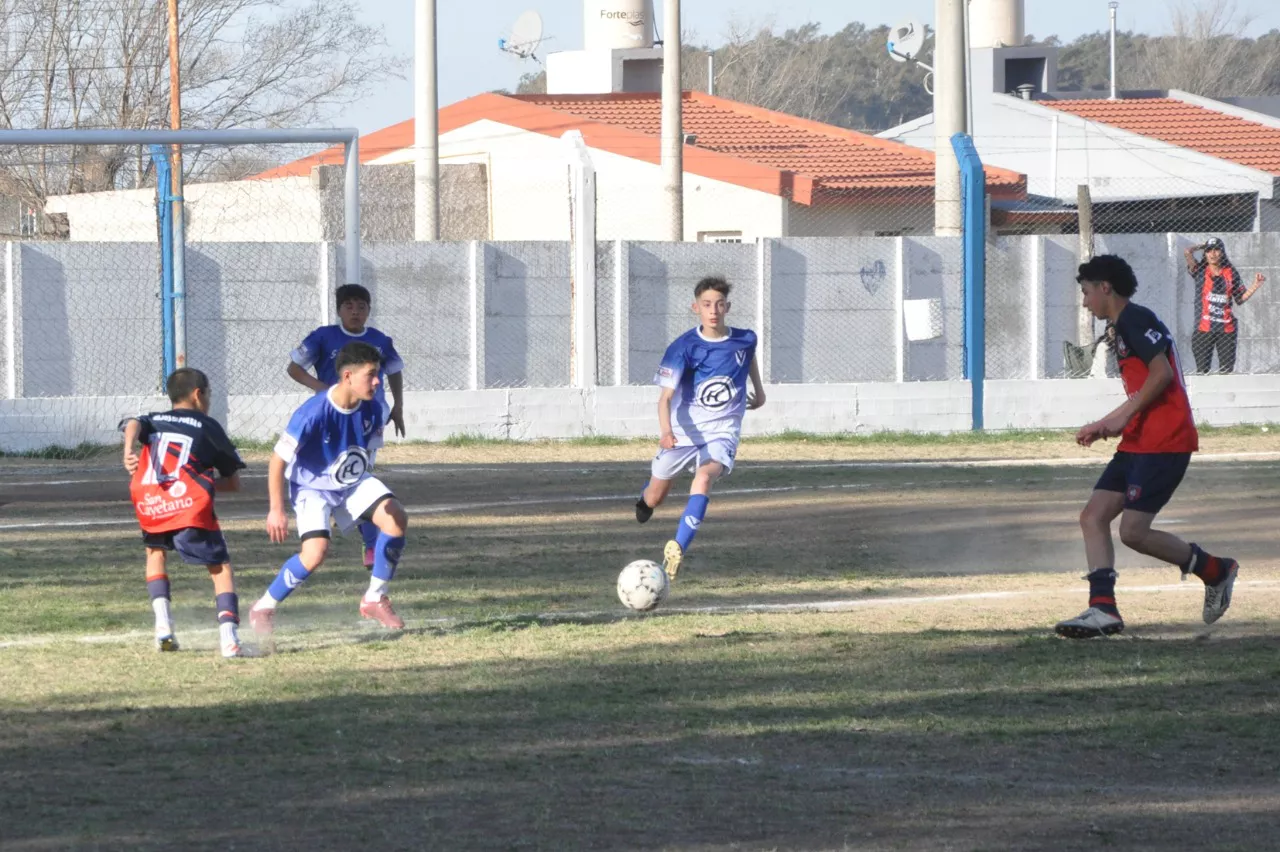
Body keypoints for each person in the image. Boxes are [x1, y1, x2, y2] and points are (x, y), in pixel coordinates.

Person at [1056, 255, 1238, 639]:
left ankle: (1215, 570)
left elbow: (1162, 374)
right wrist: (1108, 423)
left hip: (1164, 441)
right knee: (1093, 516)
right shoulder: (1123, 326)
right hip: (1139, 440)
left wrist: (1120, 419)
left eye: (1087, 292)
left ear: (1105, 287)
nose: (1085, 302)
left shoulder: (1135, 319)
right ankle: (1102, 609)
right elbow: (1144, 389)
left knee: (1134, 532)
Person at [251, 341, 410, 638]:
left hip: (351, 482)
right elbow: (276, 462)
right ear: (347, 376)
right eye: (371, 374)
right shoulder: (312, 413)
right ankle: (263, 607)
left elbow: (365, 455)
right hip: (312, 489)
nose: (378, 381)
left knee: (395, 517)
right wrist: (276, 509)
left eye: (378, 375)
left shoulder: (375, 408)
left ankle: (375, 597)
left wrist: (367, 505)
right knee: (315, 554)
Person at [634, 276, 766, 580]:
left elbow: (749, 358)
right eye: (707, 304)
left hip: (722, 431)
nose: (714, 310)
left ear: (727, 306)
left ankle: (678, 547)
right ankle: (645, 500)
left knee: (705, 476)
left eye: (719, 304)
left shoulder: (746, 338)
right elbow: (664, 398)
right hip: (683, 431)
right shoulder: (683, 347)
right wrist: (666, 432)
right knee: (654, 497)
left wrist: (759, 391)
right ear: (696, 308)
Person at [121, 367, 247, 658]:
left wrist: (128, 450)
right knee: (220, 568)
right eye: (209, 394)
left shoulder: (151, 420)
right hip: (188, 504)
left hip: (151, 501)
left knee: (155, 554)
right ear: (198, 394)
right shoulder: (209, 426)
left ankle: (163, 627)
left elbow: (131, 423)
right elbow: (233, 483)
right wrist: (201, 483)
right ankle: (229, 640)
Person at [288, 283, 405, 570]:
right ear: (339, 309)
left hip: (368, 419)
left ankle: (370, 542)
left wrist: (399, 406)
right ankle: (326, 515)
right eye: (349, 306)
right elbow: (294, 368)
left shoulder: (380, 340)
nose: (355, 311)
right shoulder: (323, 336)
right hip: (331, 419)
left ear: (369, 310)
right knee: (336, 471)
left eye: (361, 306)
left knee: (357, 472)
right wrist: (321, 390)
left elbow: (395, 370)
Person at [1183, 237, 1265, 374]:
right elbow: (1187, 252)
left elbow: (1240, 298)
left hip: (1226, 330)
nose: (1213, 254)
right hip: (1203, 329)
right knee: (1202, 372)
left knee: (1226, 372)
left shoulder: (1231, 273)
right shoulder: (1200, 271)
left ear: (1222, 252)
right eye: (1209, 250)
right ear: (1205, 253)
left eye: (1216, 250)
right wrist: (1202, 245)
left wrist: (1255, 285)